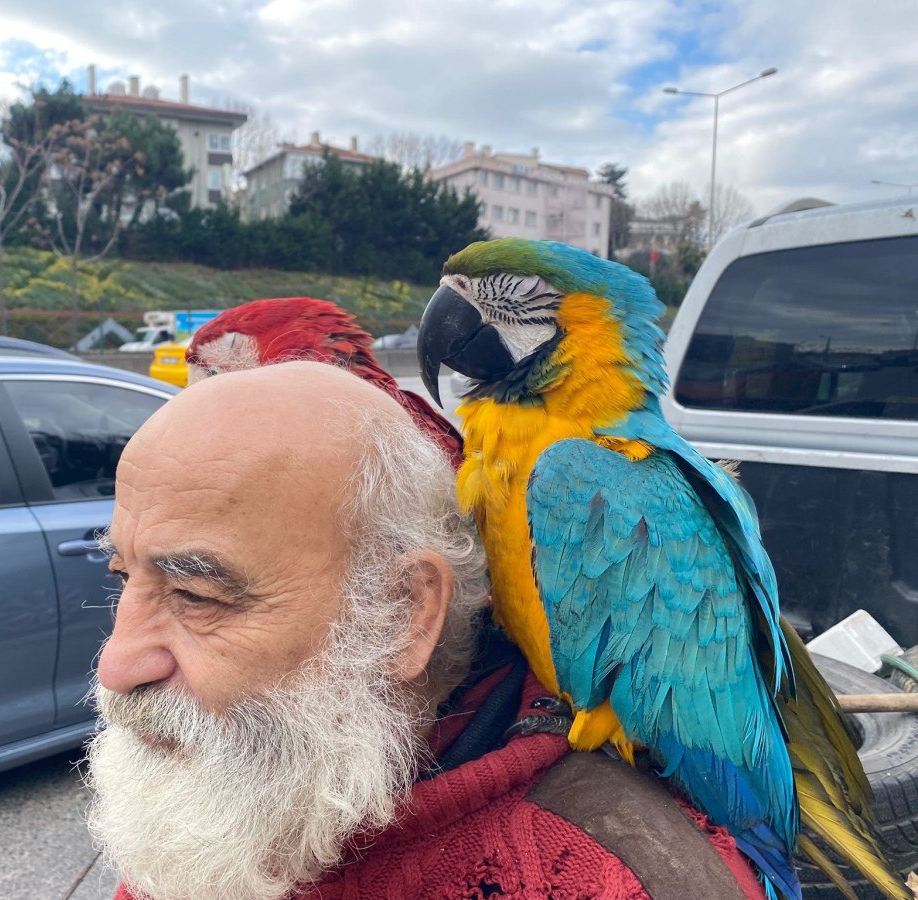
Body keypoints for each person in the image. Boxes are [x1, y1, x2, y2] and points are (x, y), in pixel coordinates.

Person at [86, 361, 765, 900]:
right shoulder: (220, 787)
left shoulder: (613, 875)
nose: (116, 665)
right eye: (124, 577)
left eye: (198, 594)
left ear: (402, 612)